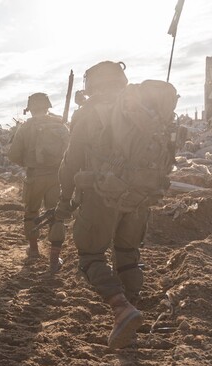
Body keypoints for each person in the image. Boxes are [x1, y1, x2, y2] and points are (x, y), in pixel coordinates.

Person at [56, 61, 144, 349]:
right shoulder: (142, 111)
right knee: (127, 252)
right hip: (139, 196)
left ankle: (122, 308)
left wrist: (65, 197)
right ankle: (133, 310)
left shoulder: (89, 114)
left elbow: (71, 162)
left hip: (100, 194)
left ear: (92, 85)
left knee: (90, 255)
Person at [8, 93, 69, 273]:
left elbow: (13, 155)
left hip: (34, 176)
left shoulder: (25, 128)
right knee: (56, 215)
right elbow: (71, 150)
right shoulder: (61, 125)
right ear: (47, 106)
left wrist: (29, 162)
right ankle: (54, 258)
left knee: (31, 212)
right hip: (57, 176)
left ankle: (34, 251)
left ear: (30, 108)